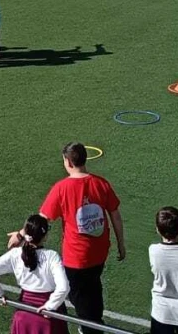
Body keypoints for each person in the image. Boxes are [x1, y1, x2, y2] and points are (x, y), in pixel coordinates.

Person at [32, 142, 124, 334]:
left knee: (80, 300)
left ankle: (89, 328)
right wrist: (121, 244)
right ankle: (94, 320)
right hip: (99, 253)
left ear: (68, 162)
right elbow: (115, 214)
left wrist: (23, 235)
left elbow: (42, 218)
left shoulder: (62, 188)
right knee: (92, 287)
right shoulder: (101, 183)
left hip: (76, 258)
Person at [0, 214, 69, 334]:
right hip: (48, 319)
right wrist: (50, 306)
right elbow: (64, 288)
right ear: (44, 236)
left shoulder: (15, 254)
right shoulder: (52, 256)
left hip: (23, 316)